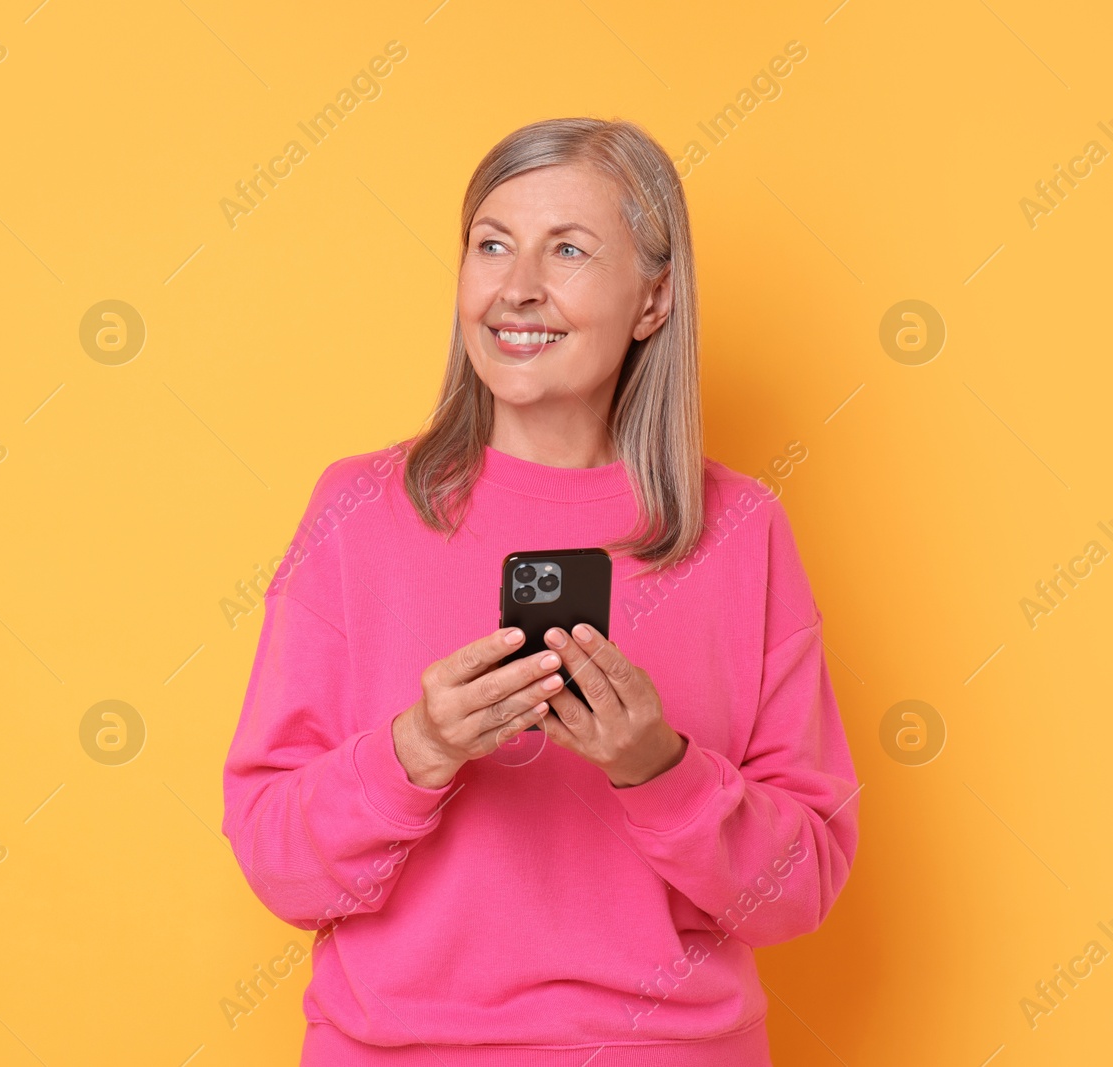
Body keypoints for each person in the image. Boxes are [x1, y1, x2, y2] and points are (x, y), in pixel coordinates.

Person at [221, 116, 859, 1065]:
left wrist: (657, 765)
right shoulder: (357, 510)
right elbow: (279, 864)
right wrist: (418, 748)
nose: (517, 287)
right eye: (491, 244)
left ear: (653, 301)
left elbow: (800, 886)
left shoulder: (743, 527)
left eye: (567, 248)